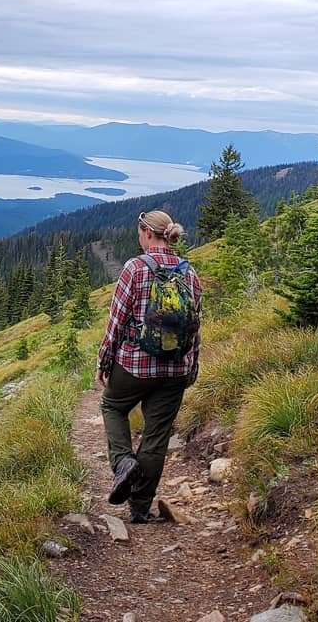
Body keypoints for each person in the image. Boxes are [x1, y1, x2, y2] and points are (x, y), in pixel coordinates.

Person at [96, 209, 203, 523]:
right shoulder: (189, 273)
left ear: (146, 233)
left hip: (135, 365)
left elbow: (116, 322)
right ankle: (140, 508)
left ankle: (123, 462)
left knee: (113, 406)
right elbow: (195, 325)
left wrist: (104, 361)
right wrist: (191, 366)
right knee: (156, 436)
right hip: (174, 369)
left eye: (139, 232)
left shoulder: (135, 268)